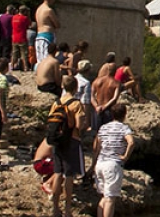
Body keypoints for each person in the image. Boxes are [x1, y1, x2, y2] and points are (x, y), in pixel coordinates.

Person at [51, 75, 88, 217]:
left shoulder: (56, 102)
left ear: (63, 86)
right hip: (72, 141)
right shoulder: (76, 104)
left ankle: (55, 208)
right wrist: (81, 130)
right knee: (69, 175)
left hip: (58, 141)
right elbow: (79, 125)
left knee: (57, 173)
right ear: (76, 87)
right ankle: (67, 209)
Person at [92, 103, 135, 217]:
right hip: (113, 164)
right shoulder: (124, 128)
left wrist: (94, 162)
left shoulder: (103, 127)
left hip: (100, 163)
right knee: (110, 199)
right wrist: (125, 156)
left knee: (104, 197)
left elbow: (96, 146)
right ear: (124, 114)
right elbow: (131, 142)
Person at [34, 0, 60, 69]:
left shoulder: (38, 9)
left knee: (40, 58)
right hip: (47, 35)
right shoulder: (49, 10)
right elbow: (57, 24)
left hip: (39, 35)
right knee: (48, 57)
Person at [10, 6, 31, 71]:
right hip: (22, 38)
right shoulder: (24, 18)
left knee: (14, 53)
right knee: (24, 53)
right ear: (24, 11)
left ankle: (12, 66)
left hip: (14, 37)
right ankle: (26, 67)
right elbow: (29, 25)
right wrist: (28, 16)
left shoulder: (14, 17)